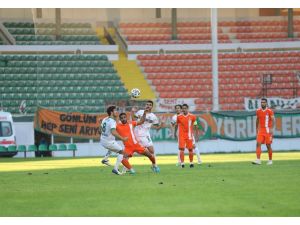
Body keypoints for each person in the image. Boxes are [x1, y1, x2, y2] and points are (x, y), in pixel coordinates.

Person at [100, 105, 128, 175]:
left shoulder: (105, 119)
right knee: (122, 151)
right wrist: (123, 138)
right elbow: (113, 132)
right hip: (108, 142)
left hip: (103, 140)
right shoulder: (112, 121)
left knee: (113, 148)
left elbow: (100, 129)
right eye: (115, 110)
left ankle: (105, 159)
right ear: (111, 112)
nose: (117, 112)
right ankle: (115, 169)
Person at [252, 98, 275, 165]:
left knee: (268, 145)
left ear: (266, 103)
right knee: (258, 143)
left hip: (268, 130)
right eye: (262, 102)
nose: (262, 103)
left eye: (264, 102)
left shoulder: (270, 111)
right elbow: (257, 120)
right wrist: (256, 128)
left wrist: (272, 128)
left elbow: (273, 120)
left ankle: (270, 160)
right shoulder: (258, 111)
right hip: (261, 130)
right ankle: (258, 160)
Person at [176, 104, 197, 168]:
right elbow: (177, 125)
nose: (184, 110)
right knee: (181, 149)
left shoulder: (193, 116)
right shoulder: (179, 117)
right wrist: (174, 133)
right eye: (183, 108)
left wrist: (196, 134)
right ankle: (182, 164)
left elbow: (195, 125)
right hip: (181, 136)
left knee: (190, 149)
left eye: (185, 108)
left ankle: (191, 163)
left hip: (189, 135)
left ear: (187, 108)